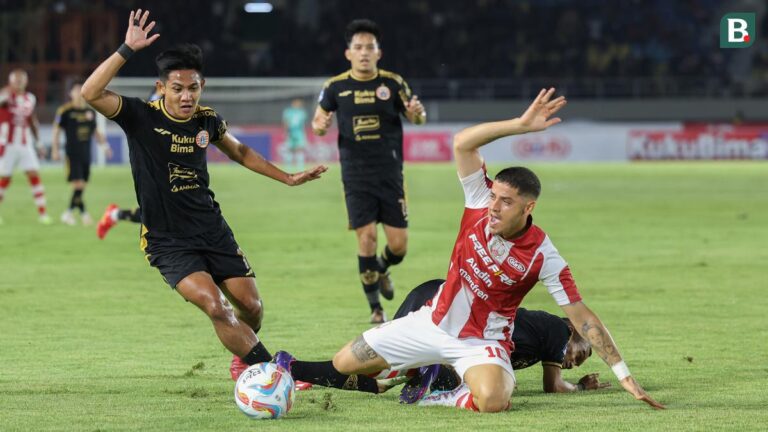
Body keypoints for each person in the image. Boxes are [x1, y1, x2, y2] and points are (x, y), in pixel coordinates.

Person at [276, 88, 664, 412]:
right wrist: (518, 126)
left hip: (483, 343)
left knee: (494, 400)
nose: (494, 207)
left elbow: (581, 316)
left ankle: (442, 394)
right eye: (494, 196)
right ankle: (290, 369)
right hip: (430, 322)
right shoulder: (479, 200)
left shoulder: (543, 254)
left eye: (506, 202)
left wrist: (623, 374)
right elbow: (462, 142)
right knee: (345, 363)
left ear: (528, 208)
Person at [81, 9, 327, 380]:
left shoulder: (206, 121)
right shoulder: (139, 116)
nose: (186, 96)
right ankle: (275, 375)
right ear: (161, 87)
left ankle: (244, 357)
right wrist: (126, 49)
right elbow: (90, 92)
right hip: (168, 240)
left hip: (212, 230)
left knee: (253, 308)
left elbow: (240, 152)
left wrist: (288, 178)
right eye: (177, 88)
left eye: (193, 88)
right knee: (216, 305)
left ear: (202, 87)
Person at [312, 19, 427, 323]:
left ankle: (382, 267)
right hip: (355, 176)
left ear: (379, 52)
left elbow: (418, 118)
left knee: (399, 246)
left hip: (390, 174)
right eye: (358, 47)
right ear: (348, 53)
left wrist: (417, 114)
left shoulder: (392, 83)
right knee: (366, 239)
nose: (364, 53)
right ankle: (375, 308)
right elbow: (318, 122)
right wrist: (320, 126)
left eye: (370, 47)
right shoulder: (335, 87)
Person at [380, 279, 610, 398]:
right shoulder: (559, 330)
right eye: (581, 353)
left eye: (578, 364)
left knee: (382, 365)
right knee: (382, 358)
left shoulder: (536, 342)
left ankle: (428, 370)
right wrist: (580, 386)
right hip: (440, 299)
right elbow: (554, 386)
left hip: (450, 312)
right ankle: (429, 369)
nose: (574, 363)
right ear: (573, 329)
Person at [52, 80, 112, 226]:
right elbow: (56, 130)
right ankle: (77, 213)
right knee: (78, 185)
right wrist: (55, 149)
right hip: (72, 153)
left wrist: (105, 146)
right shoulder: (65, 111)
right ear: (70, 93)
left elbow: (96, 132)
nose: (79, 94)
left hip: (86, 153)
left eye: (81, 90)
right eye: (76, 91)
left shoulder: (89, 112)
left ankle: (72, 213)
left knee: (82, 185)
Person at [0, 69, 51, 225]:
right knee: (4, 179)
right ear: (10, 82)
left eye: (21, 79)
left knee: (34, 174)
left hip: (25, 145)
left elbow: (32, 121)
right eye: (15, 80)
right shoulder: (5, 96)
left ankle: (43, 215)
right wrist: (7, 90)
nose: (19, 82)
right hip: (6, 145)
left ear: (26, 81)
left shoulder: (30, 98)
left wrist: (39, 143)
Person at [282, 98, 308, 171]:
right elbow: (286, 122)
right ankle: (288, 167)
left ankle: (300, 167)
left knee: (299, 149)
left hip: (299, 132)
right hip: (292, 132)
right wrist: (286, 131)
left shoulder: (301, 112)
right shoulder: (289, 112)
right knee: (290, 149)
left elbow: (302, 124)